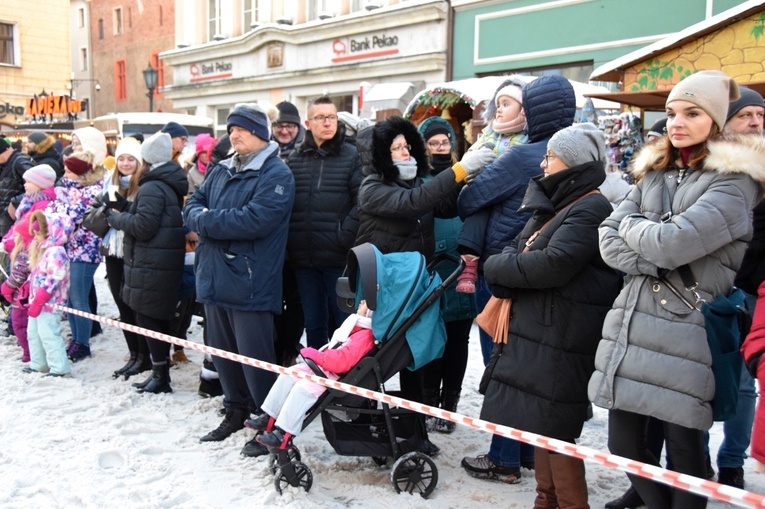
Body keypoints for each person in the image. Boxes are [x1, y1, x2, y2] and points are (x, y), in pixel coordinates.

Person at [589, 70, 765, 509]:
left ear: (717, 121)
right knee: (623, 442)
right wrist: (642, 235)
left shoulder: (735, 180)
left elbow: (672, 245)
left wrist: (632, 227)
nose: (676, 122)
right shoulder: (656, 171)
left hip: (688, 328)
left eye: (692, 112)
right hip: (632, 323)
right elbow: (606, 240)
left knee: (686, 449)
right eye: (671, 113)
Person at [479, 123, 622, 507]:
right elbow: (514, 248)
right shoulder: (557, 203)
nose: (543, 164)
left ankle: (572, 504)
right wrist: (507, 266)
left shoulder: (591, 206)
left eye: (550, 157)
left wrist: (498, 269)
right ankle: (546, 499)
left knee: (557, 430)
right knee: (540, 425)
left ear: (571, 162)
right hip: (542, 328)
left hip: (563, 333)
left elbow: (552, 265)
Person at [459, 75, 576, 484]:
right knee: (528, 363)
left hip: (502, 270)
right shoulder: (578, 154)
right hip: (547, 273)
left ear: (533, 111)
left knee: (501, 363)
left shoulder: (523, 156)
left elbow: (468, 198)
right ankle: (525, 451)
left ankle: (504, 456)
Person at [355, 114, 483, 456]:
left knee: (418, 358)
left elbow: (444, 204)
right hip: (386, 288)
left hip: (417, 284)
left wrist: (477, 179)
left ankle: (414, 430)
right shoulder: (373, 188)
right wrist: (459, 170)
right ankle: (380, 424)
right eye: (396, 148)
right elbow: (416, 203)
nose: (405, 153)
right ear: (381, 156)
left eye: (406, 146)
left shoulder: (416, 181)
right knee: (384, 359)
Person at [183, 103, 295, 458]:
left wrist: (206, 221)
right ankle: (234, 410)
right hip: (213, 277)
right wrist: (206, 218)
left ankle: (269, 423)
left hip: (250, 280)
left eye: (242, 129)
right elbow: (191, 204)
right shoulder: (220, 169)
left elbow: (254, 220)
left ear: (261, 133)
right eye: (231, 129)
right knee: (222, 352)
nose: (234, 134)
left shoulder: (276, 174)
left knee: (254, 358)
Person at [107, 132, 188, 394]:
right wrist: (124, 207)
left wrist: (115, 219)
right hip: (158, 261)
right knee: (155, 319)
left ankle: (160, 376)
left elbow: (143, 226)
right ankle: (159, 373)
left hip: (152, 262)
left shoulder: (153, 186)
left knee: (149, 319)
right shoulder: (166, 183)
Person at [286, 95, 363, 348]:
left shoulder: (352, 155)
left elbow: (363, 202)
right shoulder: (296, 157)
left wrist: (343, 236)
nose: (328, 123)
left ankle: (344, 383)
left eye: (332, 117)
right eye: (321, 118)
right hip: (304, 258)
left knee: (344, 326)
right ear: (308, 123)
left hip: (337, 258)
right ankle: (316, 379)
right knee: (313, 324)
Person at [247, 300, 375, 447]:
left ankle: (284, 434)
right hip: (323, 370)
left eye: (365, 302)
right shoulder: (357, 328)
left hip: (332, 377)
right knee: (289, 374)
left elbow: (341, 362)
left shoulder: (364, 336)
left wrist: (315, 355)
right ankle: (269, 417)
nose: (361, 302)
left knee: (302, 389)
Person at [417, 116, 476, 433]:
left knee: (457, 339)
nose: (440, 148)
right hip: (430, 267)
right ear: (423, 146)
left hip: (461, 266)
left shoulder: (463, 176)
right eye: (433, 143)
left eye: (444, 143)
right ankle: (427, 402)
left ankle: (449, 405)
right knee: (430, 336)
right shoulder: (417, 179)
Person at [455, 77, 528, 293]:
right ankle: (468, 264)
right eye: (498, 105)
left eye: (507, 104)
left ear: (523, 110)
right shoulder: (490, 132)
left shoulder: (526, 137)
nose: (499, 110)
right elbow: (471, 156)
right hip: (482, 186)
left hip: (507, 197)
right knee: (478, 210)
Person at [94, 137, 151, 380]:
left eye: (131, 159)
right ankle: (134, 354)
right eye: (122, 159)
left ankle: (145, 356)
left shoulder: (144, 185)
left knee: (135, 304)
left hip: (135, 249)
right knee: (120, 301)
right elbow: (97, 210)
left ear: (139, 162)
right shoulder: (110, 181)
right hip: (113, 249)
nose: (125, 163)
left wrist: (121, 211)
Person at [52, 134, 107, 362]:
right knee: (71, 300)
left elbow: (70, 216)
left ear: (80, 173)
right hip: (73, 249)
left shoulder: (90, 191)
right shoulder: (75, 188)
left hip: (86, 251)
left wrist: (61, 206)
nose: (64, 176)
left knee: (79, 297)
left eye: (68, 172)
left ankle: (82, 343)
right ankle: (76, 338)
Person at [1, 164, 58, 363]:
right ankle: (31, 354)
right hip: (21, 255)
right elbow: (17, 227)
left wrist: (10, 242)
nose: (24, 185)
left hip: (29, 259)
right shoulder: (30, 202)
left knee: (23, 316)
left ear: (40, 184)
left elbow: (26, 231)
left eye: (28, 182)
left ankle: (33, 355)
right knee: (21, 314)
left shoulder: (43, 205)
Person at [22, 210, 74, 377]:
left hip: (50, 303)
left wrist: (41, 297)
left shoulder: (57, 252)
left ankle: (59, 367)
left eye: (38, 233)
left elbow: (55, 277)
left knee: (49, 334)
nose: (35, 237)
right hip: (37, 301)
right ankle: (39, 363)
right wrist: (27, 288)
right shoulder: (43, 250)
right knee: (34, 334)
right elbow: (37, 274)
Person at [0, 135, 34, 237]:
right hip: (7, 220)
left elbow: (40, 187)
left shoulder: (20, 162)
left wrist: (15, 202)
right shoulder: (5, 164)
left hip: (17, 220)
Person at [187, 133, 215, 197]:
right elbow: (191, 198)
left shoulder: (221, 168)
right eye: (204, 152)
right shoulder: (192, 173)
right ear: (198, 154)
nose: (207, 155)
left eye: (209, 151)